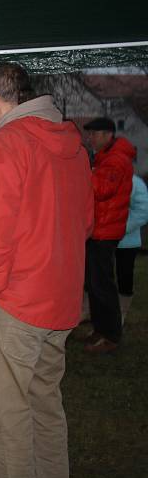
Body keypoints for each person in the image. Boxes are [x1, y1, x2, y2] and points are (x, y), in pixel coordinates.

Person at [0, 62, 93, 478]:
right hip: (60, 302)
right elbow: (86, 222)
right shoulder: (73, 146)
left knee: (5, 422)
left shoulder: (2, 147)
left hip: (12, 306)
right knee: (44, 410)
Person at [81, 117, 135, 354]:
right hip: (98, 229)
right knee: (94, 283)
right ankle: (100, 328)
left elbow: (102, 190)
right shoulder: (105, 158)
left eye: (94, 134)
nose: (90, 139)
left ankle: (111, 334)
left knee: (102, 284)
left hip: (105, 231)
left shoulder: (116, 160)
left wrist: (83, 172)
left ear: (107, 134)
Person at [116, 174, 148, 325]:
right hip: (101, 239)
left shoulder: (135, 182)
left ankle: (121, 312)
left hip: (127, 241)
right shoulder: (101, 176)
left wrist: (121, 228)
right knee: (98, 276)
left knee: (125, 276)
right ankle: (91, 309)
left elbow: (143, 211)